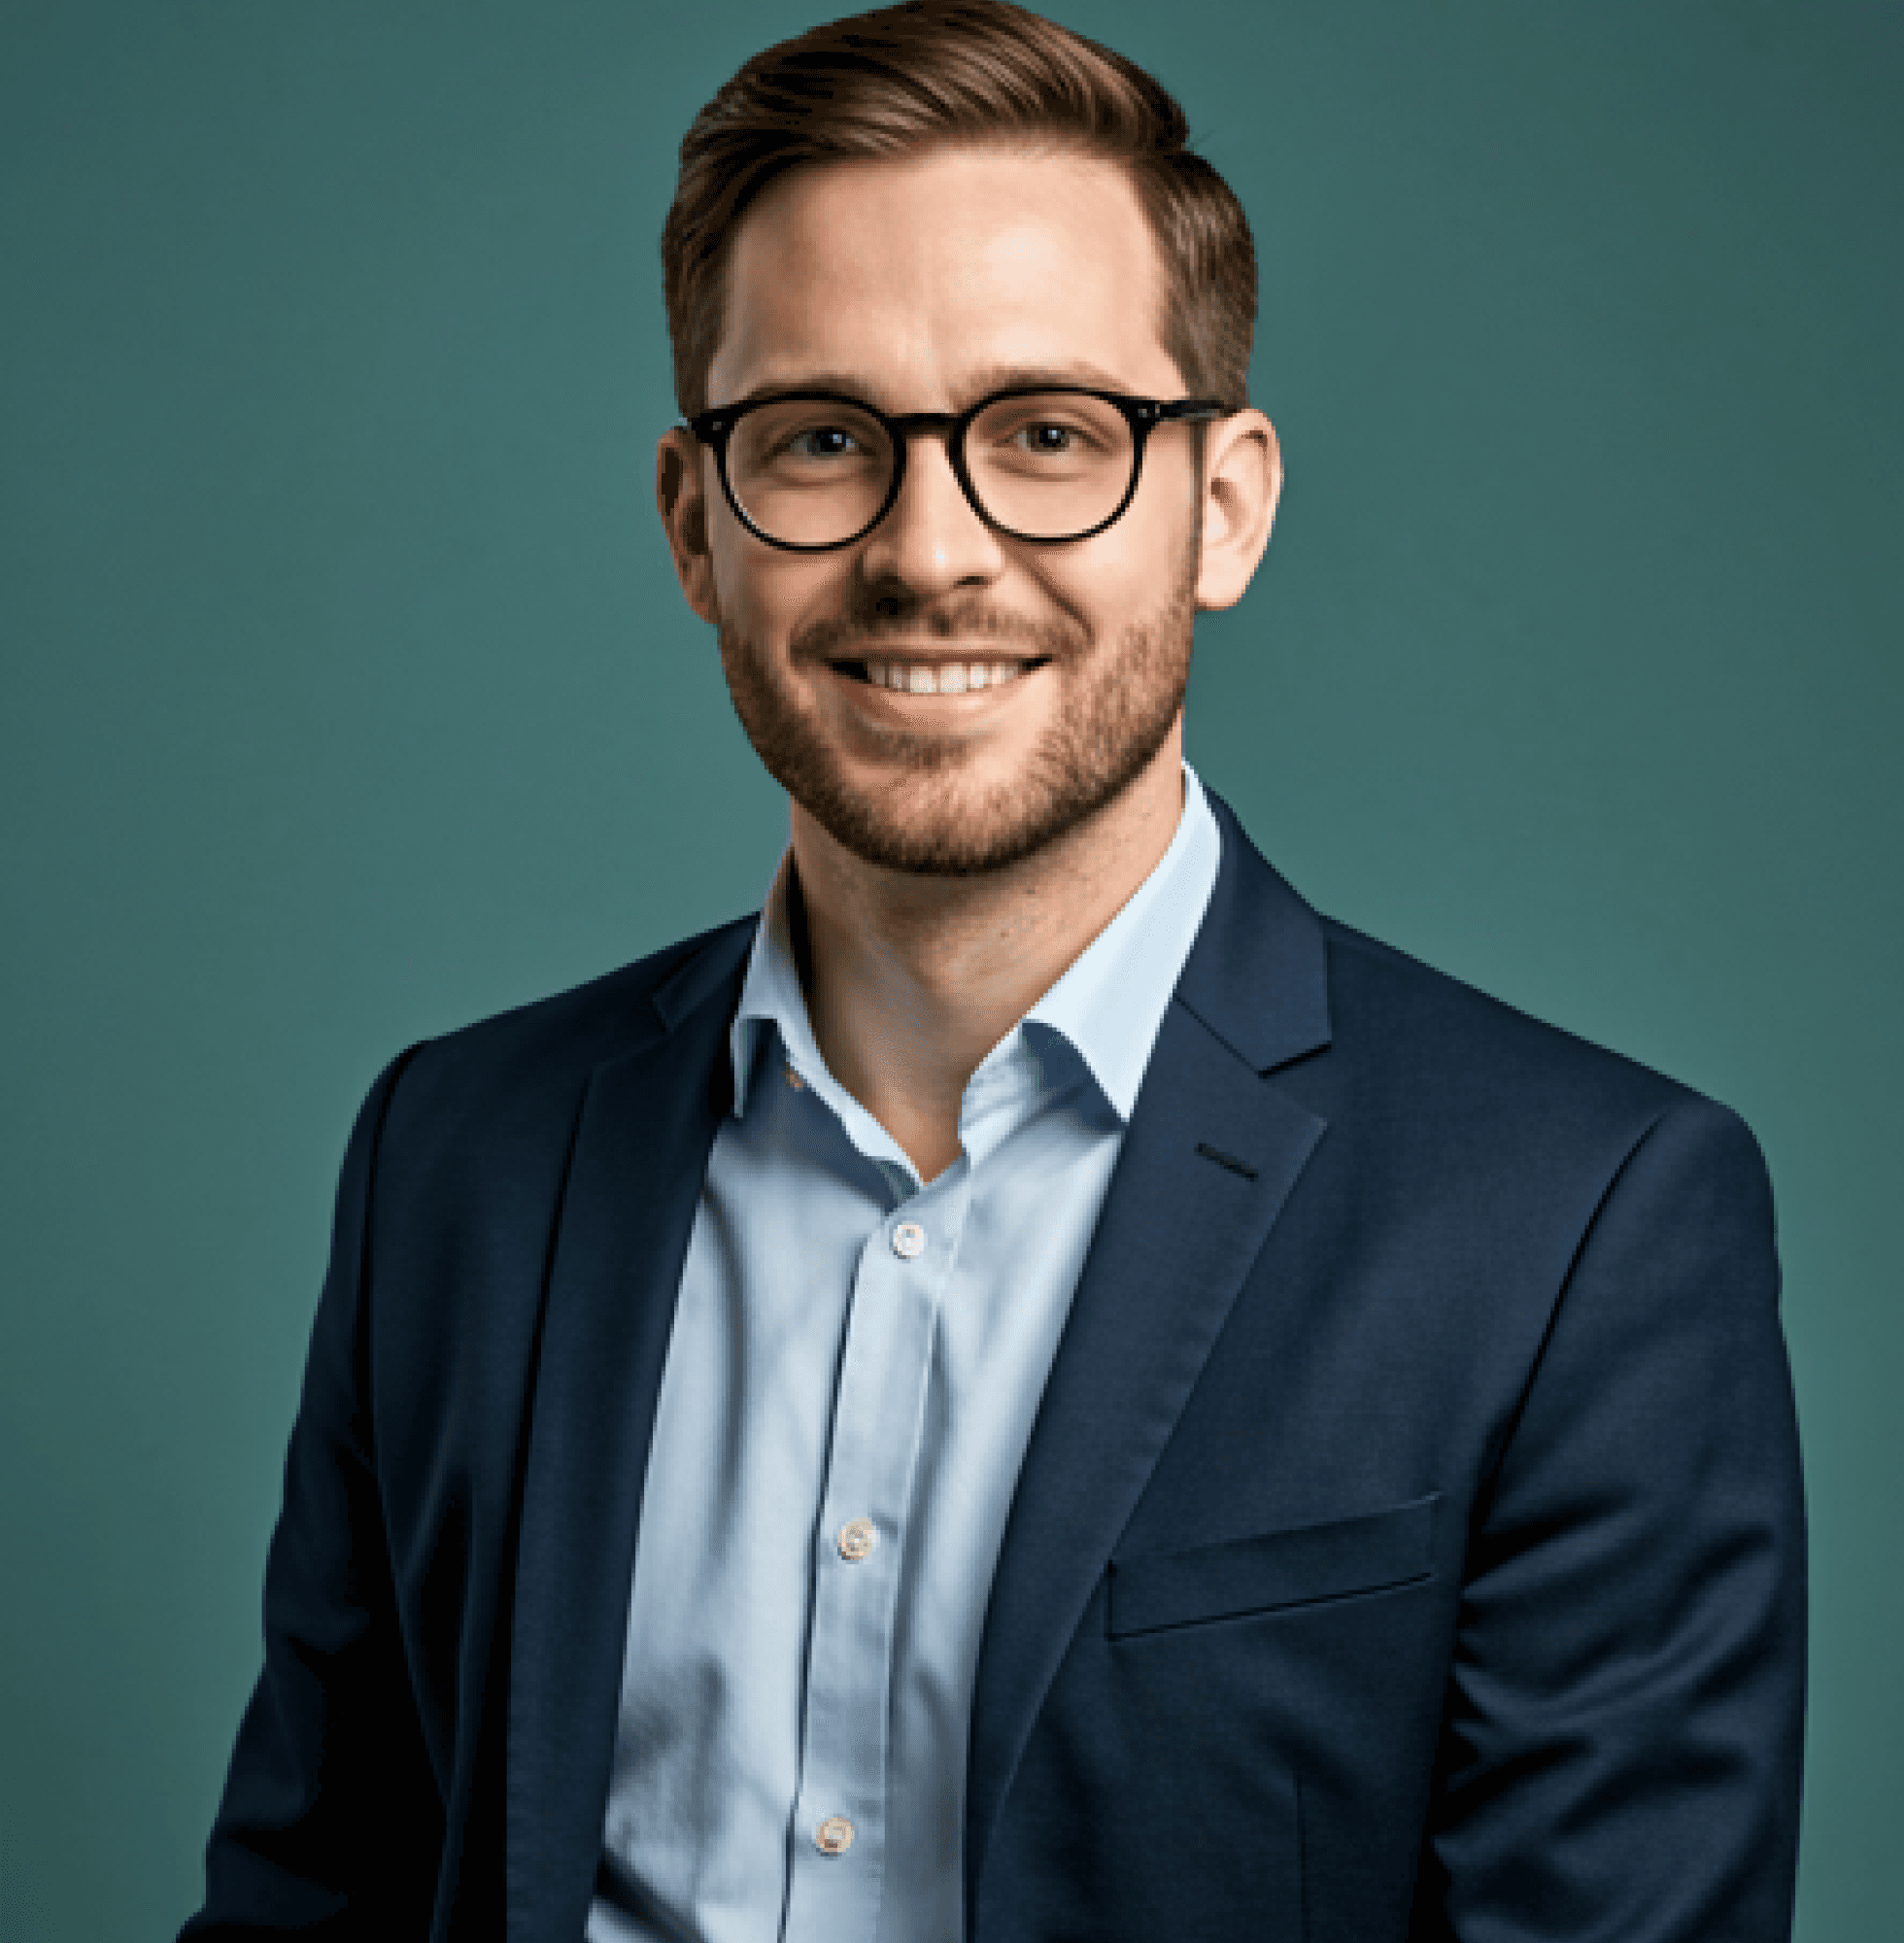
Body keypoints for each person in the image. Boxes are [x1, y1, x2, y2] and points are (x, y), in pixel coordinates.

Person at [179, 4, 1806, 1939]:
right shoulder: (451, 1157)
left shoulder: (1578, 1228)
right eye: (817, 440)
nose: (926, 550)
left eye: (1049, 435)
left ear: (1223, 505)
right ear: (697, 527)